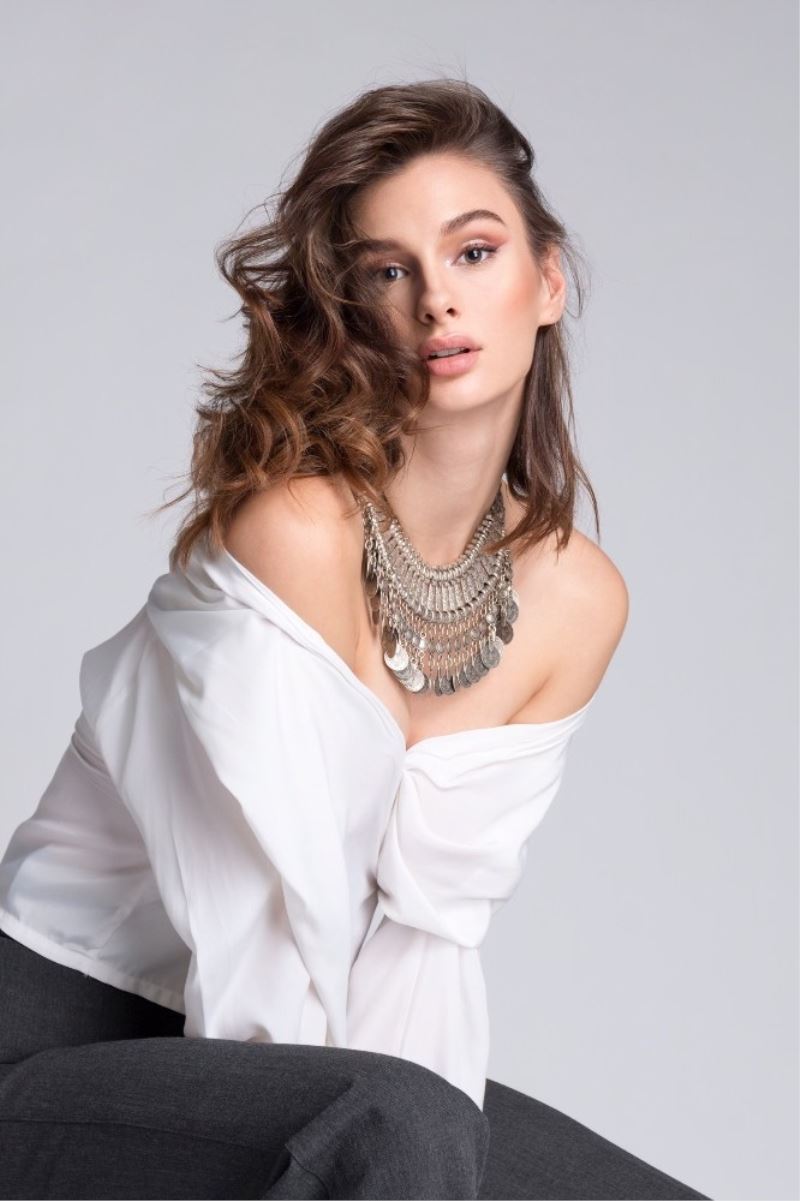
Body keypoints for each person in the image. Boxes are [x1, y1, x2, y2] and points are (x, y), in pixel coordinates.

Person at [0, 78, 710, 1200]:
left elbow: (424, 944)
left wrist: (425, 1150)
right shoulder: (293, 533)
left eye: (473, 252)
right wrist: (399, 1143)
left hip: (303, 1074)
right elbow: (263, 973)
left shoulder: (575, 599)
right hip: (49, 1045)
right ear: (352, 312)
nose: (436, 299)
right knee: (395, 1123)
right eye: (388, 271)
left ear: (547, 279)